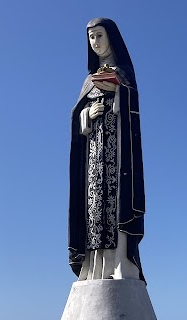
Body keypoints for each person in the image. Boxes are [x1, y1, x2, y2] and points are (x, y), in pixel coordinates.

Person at [68, 18, 145, 282]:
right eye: (91, 37)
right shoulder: (88, 80)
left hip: (118, 153)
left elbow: (132, 109)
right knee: (93, 207)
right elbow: (77, 117)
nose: (96, 42)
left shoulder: (124, 73)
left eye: (99, 35)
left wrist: (119, 96)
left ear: (111, 37)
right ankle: (92, 265)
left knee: (116, 205)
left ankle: (119, 262)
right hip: (93, 156)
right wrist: (88, 114)